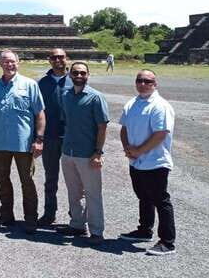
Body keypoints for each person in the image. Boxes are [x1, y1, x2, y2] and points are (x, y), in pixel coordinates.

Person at [0, 49, 46, 233]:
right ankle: (6, 215)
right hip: (0, 142)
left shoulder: (29, 85)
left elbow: (40, 114)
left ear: (18, 63)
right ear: (0, 64)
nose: (9, 65)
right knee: (1, 180)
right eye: (5, 62)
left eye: (12, 61)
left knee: (27, 181)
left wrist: (39, 139)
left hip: (23, 143)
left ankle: (31, 219)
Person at [119, 70, 177, 256]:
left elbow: (161, 134)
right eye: (139, 80)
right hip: (136, 161)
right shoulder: (132, 103)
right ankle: (144, 230)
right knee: (143, 196)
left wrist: (138, 151)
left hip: (155, 162)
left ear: (155, 84)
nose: (143, 84)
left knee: (161, 201)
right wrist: (128, 148)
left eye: (147, 81)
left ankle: (167, 242)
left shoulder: (160, 106)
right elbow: (124, 128)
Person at [58, 62, 109, 244]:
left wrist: (98, 152)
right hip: (68, 151)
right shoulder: (66, 95)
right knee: (74, 192)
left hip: (87, 153)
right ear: (70, 75)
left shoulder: (96, 97)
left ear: (88, 75)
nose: (79, 76)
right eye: (75, 73)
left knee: (93, 193)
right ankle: (78, 224)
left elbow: (102, 127)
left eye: (82, 73)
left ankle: (96, 230)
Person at [37, 48, 73, 227]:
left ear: (66, 59)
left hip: (71, 137)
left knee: (74, 180)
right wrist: (37, 137)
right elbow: (37, 112)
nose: (58, 60)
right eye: (54, 57)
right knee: (51, 178)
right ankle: (49, 213)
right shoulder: (42, 83)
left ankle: (77, 217)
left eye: (61, 57)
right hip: (50, 137)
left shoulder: (75, 80)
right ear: (49, 60)